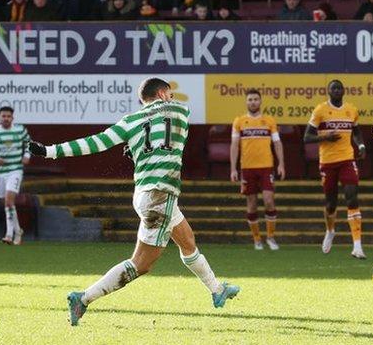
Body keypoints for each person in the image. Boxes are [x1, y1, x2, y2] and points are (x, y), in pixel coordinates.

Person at [27, 78, 240, 326]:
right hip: (161, 195)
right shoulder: (181, 109)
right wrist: (142, 146)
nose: (172, 98)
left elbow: (95, 142)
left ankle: (216, 290)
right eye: (169, 93)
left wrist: (49, 151)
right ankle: (83, 299)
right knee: (140, 264)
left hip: (146, 194)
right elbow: (170, 135)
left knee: (187, 241)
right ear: (162, 93)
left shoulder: (131, 121)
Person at [304, 80, 367, 259]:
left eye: (339, 88)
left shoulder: (351, 110)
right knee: (331, 203)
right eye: (334, 88)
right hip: (327, 162)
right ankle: (330, 230)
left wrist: (361, 145)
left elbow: (356, 132)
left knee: (352, 196)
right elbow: (307, 137)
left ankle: (357, 246)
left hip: (347, 159)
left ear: (344, 91)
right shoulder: (320, 110)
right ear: (329, 92)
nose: (337, 91)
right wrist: (325, 136)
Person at [230, 90, 285, 251]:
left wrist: (281, 164)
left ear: (260, 102)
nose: (253, 102)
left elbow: (277, 143)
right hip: (247, 169)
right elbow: (234, 145)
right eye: (250, 99)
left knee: (269, 200)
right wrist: (233, 168)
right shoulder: (239, 121)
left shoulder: (269, 121)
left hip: (266, 167)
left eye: (255, 99)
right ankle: (257, 239)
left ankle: (271, 237)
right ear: (246, 102)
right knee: (251, 204)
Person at [0, 106, 30, 245]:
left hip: (15, 170)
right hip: (0, 172)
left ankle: (8, 234)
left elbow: (29, 144)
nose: (6, 118)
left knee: (8, 202)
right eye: (3, 116)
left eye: (8, 116)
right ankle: (18, 231)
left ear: (12, 118)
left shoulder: (20, 130)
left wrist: (27, 155)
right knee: (6, 204)